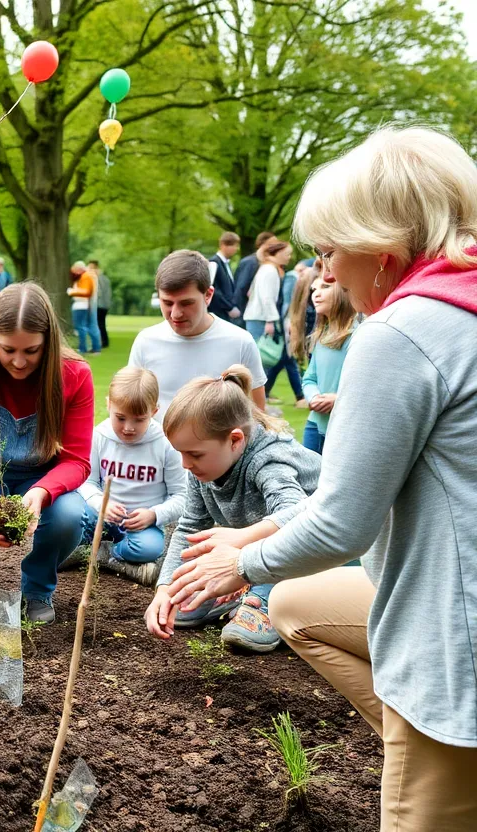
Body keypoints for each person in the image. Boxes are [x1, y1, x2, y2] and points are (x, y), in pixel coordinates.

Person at [163, 126, 477, 830]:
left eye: (332, 251)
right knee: (299, 607)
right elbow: (354, 498)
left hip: (459, 643)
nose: (326, 274)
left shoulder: (401, 334)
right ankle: (417, 744)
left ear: (383, 246)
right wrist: (257, 541)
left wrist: (242, 562)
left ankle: (432, 753)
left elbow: (342, 524)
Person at [0, 283, 93, 623]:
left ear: (48, 343)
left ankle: (38, 589)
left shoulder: (75, 375)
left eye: (32, 351)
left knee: (69, 517)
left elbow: (77, 460)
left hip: (45, 476)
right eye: (8, 349)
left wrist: (41, 493)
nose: (20, 361)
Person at [146, 365, 319, 653]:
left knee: (268, 546)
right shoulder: (202, 467)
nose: (185, 464)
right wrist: (166, 589)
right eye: (180, 453)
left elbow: (301, 514)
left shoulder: (269, 460)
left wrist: (241, 537)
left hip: (321, 558)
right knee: (184, 606)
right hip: (257, 555)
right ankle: (235, 591)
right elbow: (189, 526)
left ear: (235, 440)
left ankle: (264, 601)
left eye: (194, 454)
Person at [73, 366, 186, 586]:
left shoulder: (166, 444)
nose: (128, 428)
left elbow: (181, 496)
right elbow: (86, 481)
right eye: (121, 418)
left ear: (154, 412)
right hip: (101, 515)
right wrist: (101, 504)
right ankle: (84, 547)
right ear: (108, 405)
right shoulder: (99, 436)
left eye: (139, 420)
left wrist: (153, 515)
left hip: (141, 524)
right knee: (72, 517)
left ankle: (105, 554)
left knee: (149, 548)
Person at [129, 250, 267, 419]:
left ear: (208, 295)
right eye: (167, 303)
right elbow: (130, 407)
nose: (175, 314)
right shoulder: (146, 342)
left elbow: (259, 415)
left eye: (186, 303)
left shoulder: (240, 342)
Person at [245, 240, 306, 406]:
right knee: (262, 359)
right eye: (287, 253)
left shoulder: (266, 268)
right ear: (276, 253)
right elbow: (267, 298)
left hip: (259, 318)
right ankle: (255, 401)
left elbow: (251, 293)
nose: (289, 257)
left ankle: (260, 399)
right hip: (262, 320)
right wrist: (271, 321)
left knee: (274, 358)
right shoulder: (270, 270)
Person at [300, 277, 356, 454]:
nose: (316, 294)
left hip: (342, 426)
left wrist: (338, 399)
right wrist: (314, 397)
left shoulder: (358, 334)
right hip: (314, 424)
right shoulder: (322, 335)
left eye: (325, 287)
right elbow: (309, 377)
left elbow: (369, 386)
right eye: (314, 289)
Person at [231, 230, 275, 322]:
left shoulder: (265, 263)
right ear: (262, 244)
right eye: (271, 244)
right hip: (245, 313)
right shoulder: (251, 262)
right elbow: (241, 288)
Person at [206, 232, 242, 322]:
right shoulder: (214, 263)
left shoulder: (225, 264)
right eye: (234, 246)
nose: (236, 249)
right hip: (217, 312)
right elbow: (211, 288)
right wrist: (229, 307)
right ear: (223, 245)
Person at [67, 261, 100, 354]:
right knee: (85, 326)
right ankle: (90, 347)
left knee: (83, 326)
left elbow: (86, 292)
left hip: (83, 304)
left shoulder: (85, 277)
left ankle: (85, 347)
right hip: (84, 304)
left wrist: (72, 292)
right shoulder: (85, 277)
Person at [90, 259, 111, 348]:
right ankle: (104, 341)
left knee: (99, 324)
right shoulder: (105, 278)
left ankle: (101, 342)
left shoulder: (98, 278)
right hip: (104, 304)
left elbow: (98, 292)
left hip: (99, 304)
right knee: (101, 323)